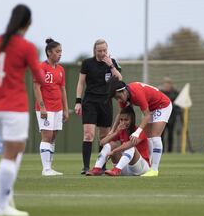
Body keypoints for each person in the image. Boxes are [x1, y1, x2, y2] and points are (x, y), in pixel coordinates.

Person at [0, 4, 43, 216]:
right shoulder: (26, 47)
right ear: (28, 23)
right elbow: (40, 76)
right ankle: (1, 205)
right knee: (11, 152)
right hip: (14, 107)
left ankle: (7, 196)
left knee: (14, 149)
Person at [74, 39, 122, 174]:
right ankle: (86, 167)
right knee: (89, 134)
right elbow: (80, 83)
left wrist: (111, 66)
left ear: (107, 50)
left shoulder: (112, 62)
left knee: (104, 137)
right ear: (94, 50)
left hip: (106, 102)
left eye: (104, 50)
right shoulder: (87, 63)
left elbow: (119, 79)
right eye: (99, 50)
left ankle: (100, 166)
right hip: (90, 102)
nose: (102, 53)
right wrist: (78, 101)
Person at [108, 77, 172, 177]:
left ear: (123, 91)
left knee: (155, 136)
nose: (118, 100)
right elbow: (121, 113)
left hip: (162, 105)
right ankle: (149, 166)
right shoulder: (123, 96)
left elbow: (146, 115)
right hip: (151, 108)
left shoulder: (136, 94)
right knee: (148, 137)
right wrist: (112, 130)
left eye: (118, 97)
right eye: (116, 98)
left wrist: (137, 132)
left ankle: (154, 170)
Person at [33, 38, 68, 176]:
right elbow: (36, 87)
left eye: (61, 51)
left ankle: (49, 167)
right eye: (57, 51)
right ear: (49, 52)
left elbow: (63, 89)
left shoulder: (61, 69)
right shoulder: (41, 67)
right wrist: (42, 107)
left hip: (58, 108)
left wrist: (65, 109)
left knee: (53, 137)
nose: (60, 54)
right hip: (46, 108)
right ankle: (45, 169)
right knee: (46, 136)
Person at [86, 106, 150, 176]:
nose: (123, 122)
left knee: (131, 147)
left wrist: (114, 151)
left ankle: (116, 170)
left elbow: (129, 144)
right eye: (121, 120)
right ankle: (97, 169)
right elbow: (102, 143)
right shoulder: (121, 131)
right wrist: (116, 132)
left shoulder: (138, 131)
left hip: (141, 168)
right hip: (125, 168)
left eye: (126, 120)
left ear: (132, 120)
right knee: (111, 144)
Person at [160, 77, 181, 152]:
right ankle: (161, 150)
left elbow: (178, 104)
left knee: (170, 134)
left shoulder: (175, 93)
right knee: (161, 135)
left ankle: (170, 151)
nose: (167, 85)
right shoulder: (160, 92)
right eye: (165, 84)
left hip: (172, 117)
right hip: (162, 117)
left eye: (168, 84)